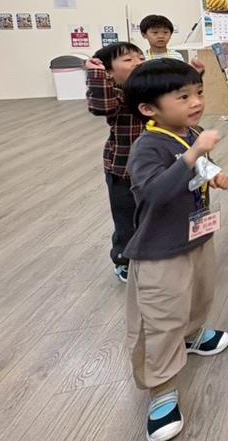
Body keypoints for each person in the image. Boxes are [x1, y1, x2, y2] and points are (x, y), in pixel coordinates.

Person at [122, 59, 228, 441]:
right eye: (183, 97)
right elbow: (152, 193)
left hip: (197, 236)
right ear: (148, 109)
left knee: (200, 294)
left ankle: (193, 334)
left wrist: (213, 173)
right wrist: (192, 155)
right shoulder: (147, 147)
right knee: (162, 318)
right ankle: (162, 390)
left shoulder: (191, 132)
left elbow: (201, 164)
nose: (196, 101)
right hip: (160, 250)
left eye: (198, 92)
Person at [85, 41, 147, 282]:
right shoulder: (115, 94)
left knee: (154, 212)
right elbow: (101, 105)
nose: (137, 62)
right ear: (109, 72)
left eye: (140, 57)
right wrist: (96, 74)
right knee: (127, 218)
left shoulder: (149, 89)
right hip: (123, 169)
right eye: (128, 59)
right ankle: (124, 259)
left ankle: (153, 253)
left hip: (154, 167)